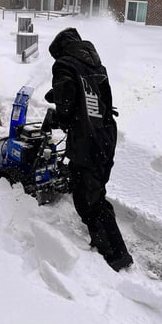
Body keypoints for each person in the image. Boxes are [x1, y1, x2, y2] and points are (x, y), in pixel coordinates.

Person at [44, 27, 133, 272]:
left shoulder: (63, 64)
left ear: (60, 50)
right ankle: (109, 243)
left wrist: (59, 118)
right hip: (105, 135)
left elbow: (67, 102)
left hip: (87, 140)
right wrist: (58, 93)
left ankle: (116, 255)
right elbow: (95, 95)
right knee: (95, 190)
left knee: (88, 200)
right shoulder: (94, 64)